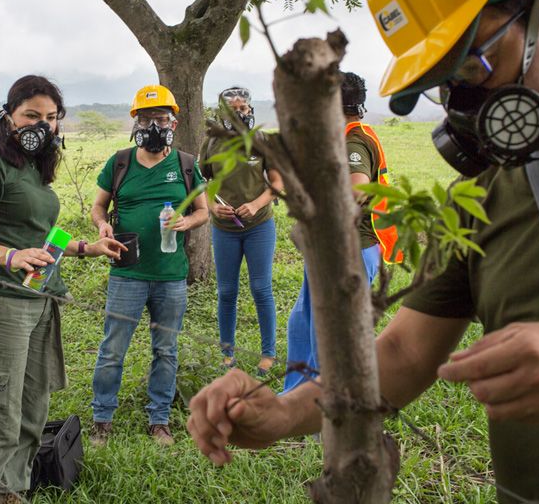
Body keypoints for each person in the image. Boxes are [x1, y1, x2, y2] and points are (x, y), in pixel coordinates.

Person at [186, 0, 539, 503]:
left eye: (476, 66)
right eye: (445, 89)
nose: (469, 110)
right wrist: (285, 413)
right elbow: (404, 350)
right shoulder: (483, 192)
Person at [0, 75, 125, 504]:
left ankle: (11, 493)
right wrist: (9, 257)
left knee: (31, 414)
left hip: (40, 300)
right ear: (8, 117)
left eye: (50, 118)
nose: (41, 126)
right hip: (3, 303)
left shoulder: (33, 166)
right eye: (31, 116)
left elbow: (36, 235)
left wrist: (86, 247)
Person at [90, 84, 209, 446]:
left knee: (166, 349)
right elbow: (98, 206)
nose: (154, 125)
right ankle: (102, 418)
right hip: (127, 272)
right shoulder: (120, 162)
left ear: (173, 121)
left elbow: (203, 211)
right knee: (113, 348)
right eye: (146, 118)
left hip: (171, 276)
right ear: (135, 122)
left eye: (161, 118)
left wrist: (188, 222)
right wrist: (102, 224)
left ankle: (159, 419)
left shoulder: (187, 164)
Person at [282, 71, 399, 393]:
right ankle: (295, 395)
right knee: (303, 320)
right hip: (328, 247)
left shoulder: (352, 140)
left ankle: (327, 406)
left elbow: (357, 190)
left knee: (330, 332)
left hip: (350, 247)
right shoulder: (345, 135)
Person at [199, 86, 284, 375]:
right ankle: (227, 353)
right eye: (233, 109)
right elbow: (203, 183)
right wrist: (211, 206)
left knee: (261, 288)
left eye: (243, 109)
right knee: (226, 291)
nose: (239, 113)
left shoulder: (261, 140)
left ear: (250, 110)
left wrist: (255, 204)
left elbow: (277, 183)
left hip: (259, 226)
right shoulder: (211, 143)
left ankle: (268, 353)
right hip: (224, 229)